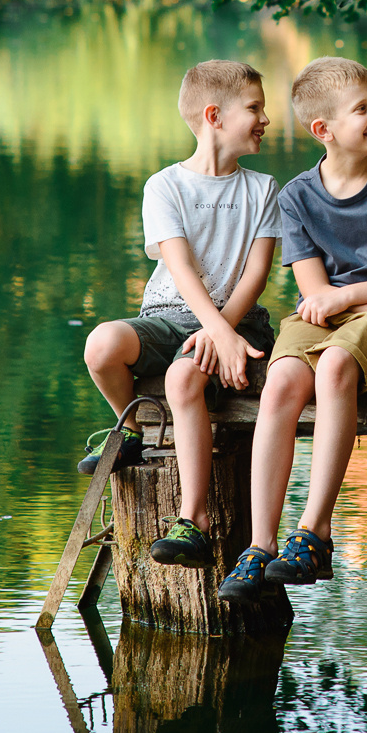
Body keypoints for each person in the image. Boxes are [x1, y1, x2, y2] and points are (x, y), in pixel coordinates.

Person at [219, 57, 367, 602]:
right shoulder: (296, 196)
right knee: (280, 383)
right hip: (350, 314)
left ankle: (315, 531)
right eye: (362, 109)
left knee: (336, 365)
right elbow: (312, 297)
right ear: (322, 130)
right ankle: (260, 545)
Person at [79, 60, 281, 570]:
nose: (266, 118)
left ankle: (194, 521)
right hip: (171, 314)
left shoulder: (262, 189)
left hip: (240, 318)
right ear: (214, 115)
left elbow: (256, 275)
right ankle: (135, 429)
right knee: (102, 344)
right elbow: (181, 267)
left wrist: (225, 331)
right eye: (254, 108)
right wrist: (212, 329)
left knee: (184, 377)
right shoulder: (164, 186)